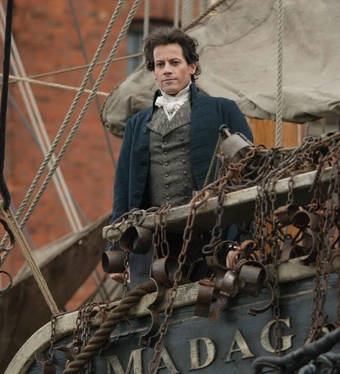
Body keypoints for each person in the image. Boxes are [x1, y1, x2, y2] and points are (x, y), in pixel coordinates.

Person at [108, 28, 253, 283]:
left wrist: (242, 241)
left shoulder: (223, 109)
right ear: (154, 72)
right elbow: (123, 190)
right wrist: (118, 252)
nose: (167, 70)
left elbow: (249, 175)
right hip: (153, 243)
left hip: (212, 236)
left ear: (192, 67)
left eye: (175, 63)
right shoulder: (136, 124)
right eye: (160, 64)